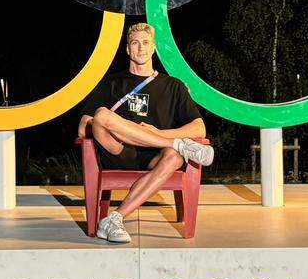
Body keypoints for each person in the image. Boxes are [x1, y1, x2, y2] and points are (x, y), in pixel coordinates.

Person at [77, 23, 213, 243]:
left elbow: (199, 128)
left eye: (146, 43)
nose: (140, 48)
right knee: (101, 115)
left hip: (156, 157)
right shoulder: (112, 82)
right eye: (135, 43)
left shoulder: (174, 86)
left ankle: (115, 218)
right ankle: (178, 144)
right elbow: (84, 126)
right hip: (118, 151)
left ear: (153, 48)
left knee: (175, 156)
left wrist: (160, 134)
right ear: (127, 49)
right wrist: (121, 130)